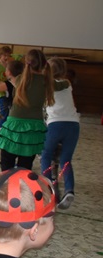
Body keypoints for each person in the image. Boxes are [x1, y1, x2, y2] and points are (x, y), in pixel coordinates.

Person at [0, 50, 54, 171]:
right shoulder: (47, 80)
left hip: (15, 124)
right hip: (35, 126)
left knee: (7, 163)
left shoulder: (19, 79)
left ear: (27, 63)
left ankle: (8, 182)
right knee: (25, 165)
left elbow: (6, 78)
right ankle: (21, 182)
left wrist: (1, 64)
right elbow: (63, 84)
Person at [40, 58, 79, 209]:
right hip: (73, 125)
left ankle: (48, 191)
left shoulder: (47, 83)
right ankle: (69, 190)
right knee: (66, 160)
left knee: (46, 156)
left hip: (56, 124)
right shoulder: (67, 83)